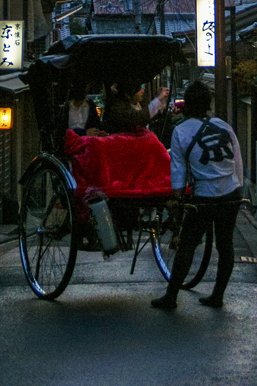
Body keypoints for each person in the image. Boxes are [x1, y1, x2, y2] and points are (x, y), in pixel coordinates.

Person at [151, 79, 243, 311]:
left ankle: (171, 297)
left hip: (204, 195)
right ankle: (218, 296)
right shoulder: (224, 126)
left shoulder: (181, 130)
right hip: (230, 192)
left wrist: (177, 195)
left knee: (188, 245)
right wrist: (238, 188)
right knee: (226, 245)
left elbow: (178, 169)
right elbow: (237, 162)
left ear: (187, 104)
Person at [102, 80, 170, 135]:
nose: (142, 91)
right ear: (129, 93)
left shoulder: (141, 103)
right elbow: (138, 118)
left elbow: (150, 117)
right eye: (138, 89)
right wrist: (158, 100)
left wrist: (162, 101)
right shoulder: (117, 107)